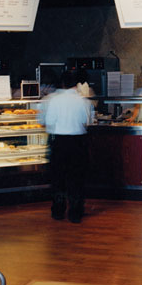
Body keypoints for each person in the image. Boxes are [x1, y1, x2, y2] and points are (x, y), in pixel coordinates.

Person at [42, 69, 94, 223]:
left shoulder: (53, 100)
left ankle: (58, 211)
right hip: (78, 143)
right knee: (76, 179)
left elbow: (49, 123)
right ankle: (75, 212)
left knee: (58, 178)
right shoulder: (84, 101)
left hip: (59, 142)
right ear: (76, 84)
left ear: (62, 83)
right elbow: (88, 122)